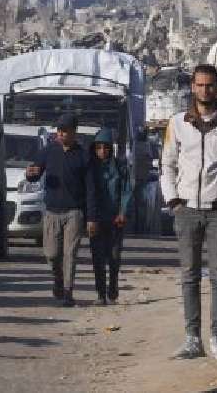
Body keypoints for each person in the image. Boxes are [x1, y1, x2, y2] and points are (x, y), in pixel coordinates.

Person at [161, 64, 217, 361]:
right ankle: (192, 339)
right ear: (192, 87)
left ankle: (216, 338)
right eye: (199, 85)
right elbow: (167, 164)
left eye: (210, 85)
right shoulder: (177, 123)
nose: (204, 90)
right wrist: (173, 201)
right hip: (186, 209)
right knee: (189, 275)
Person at [26, 113, 97, 307]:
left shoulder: (84, 156)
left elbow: (91, 189)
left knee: (70, 254)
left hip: (74, 212)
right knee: (51, 254)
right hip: (52, 212)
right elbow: (35, 172)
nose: (61, 133)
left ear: (74, 131)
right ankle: (58, 279)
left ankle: (68, 291)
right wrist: (30, 173)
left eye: (65, 130)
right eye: (59, 130)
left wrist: (91, 218)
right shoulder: (48, 151)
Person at [88, 128, 133, 306]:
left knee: (114, 257)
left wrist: (123, 212)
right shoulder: (91, 168)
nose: (102, 151)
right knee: (97, 258)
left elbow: (126, 191)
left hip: (115, 220)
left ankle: (112, 288)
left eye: (105, 147)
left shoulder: (120, 167)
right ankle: (100, 293)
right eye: (98, 148)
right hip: (96, 220)